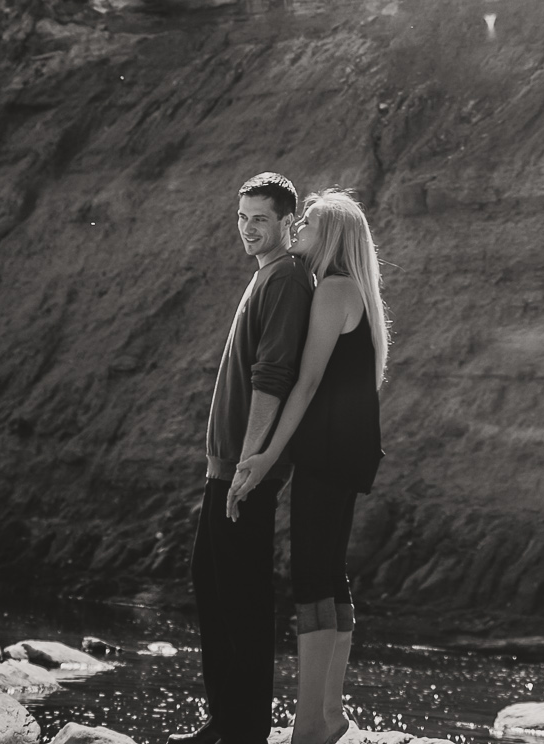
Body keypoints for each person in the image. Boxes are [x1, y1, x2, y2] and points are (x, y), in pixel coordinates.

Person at [228, 189, 388, 744]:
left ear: (333, 237)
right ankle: (329, 714)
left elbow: (309, 382)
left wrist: (269, 452)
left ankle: (308, 727)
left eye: (309, 226)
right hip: (348, 449)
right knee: (331, 578)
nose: (297, 233)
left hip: (324, 450)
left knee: (311, 581)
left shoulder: (333, 291)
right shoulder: (355, 292)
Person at [172, 171, 313, 744]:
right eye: (242, 217)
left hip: (245, 467)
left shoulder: (284, 280)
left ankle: (242, 728)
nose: (248, 229)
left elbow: (272, 376)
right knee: (213, 579)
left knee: (242, 592)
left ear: (286, 223)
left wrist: (249, 463)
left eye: (260, 219)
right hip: (228, 464)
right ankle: (228, 721)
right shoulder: (266, 276)